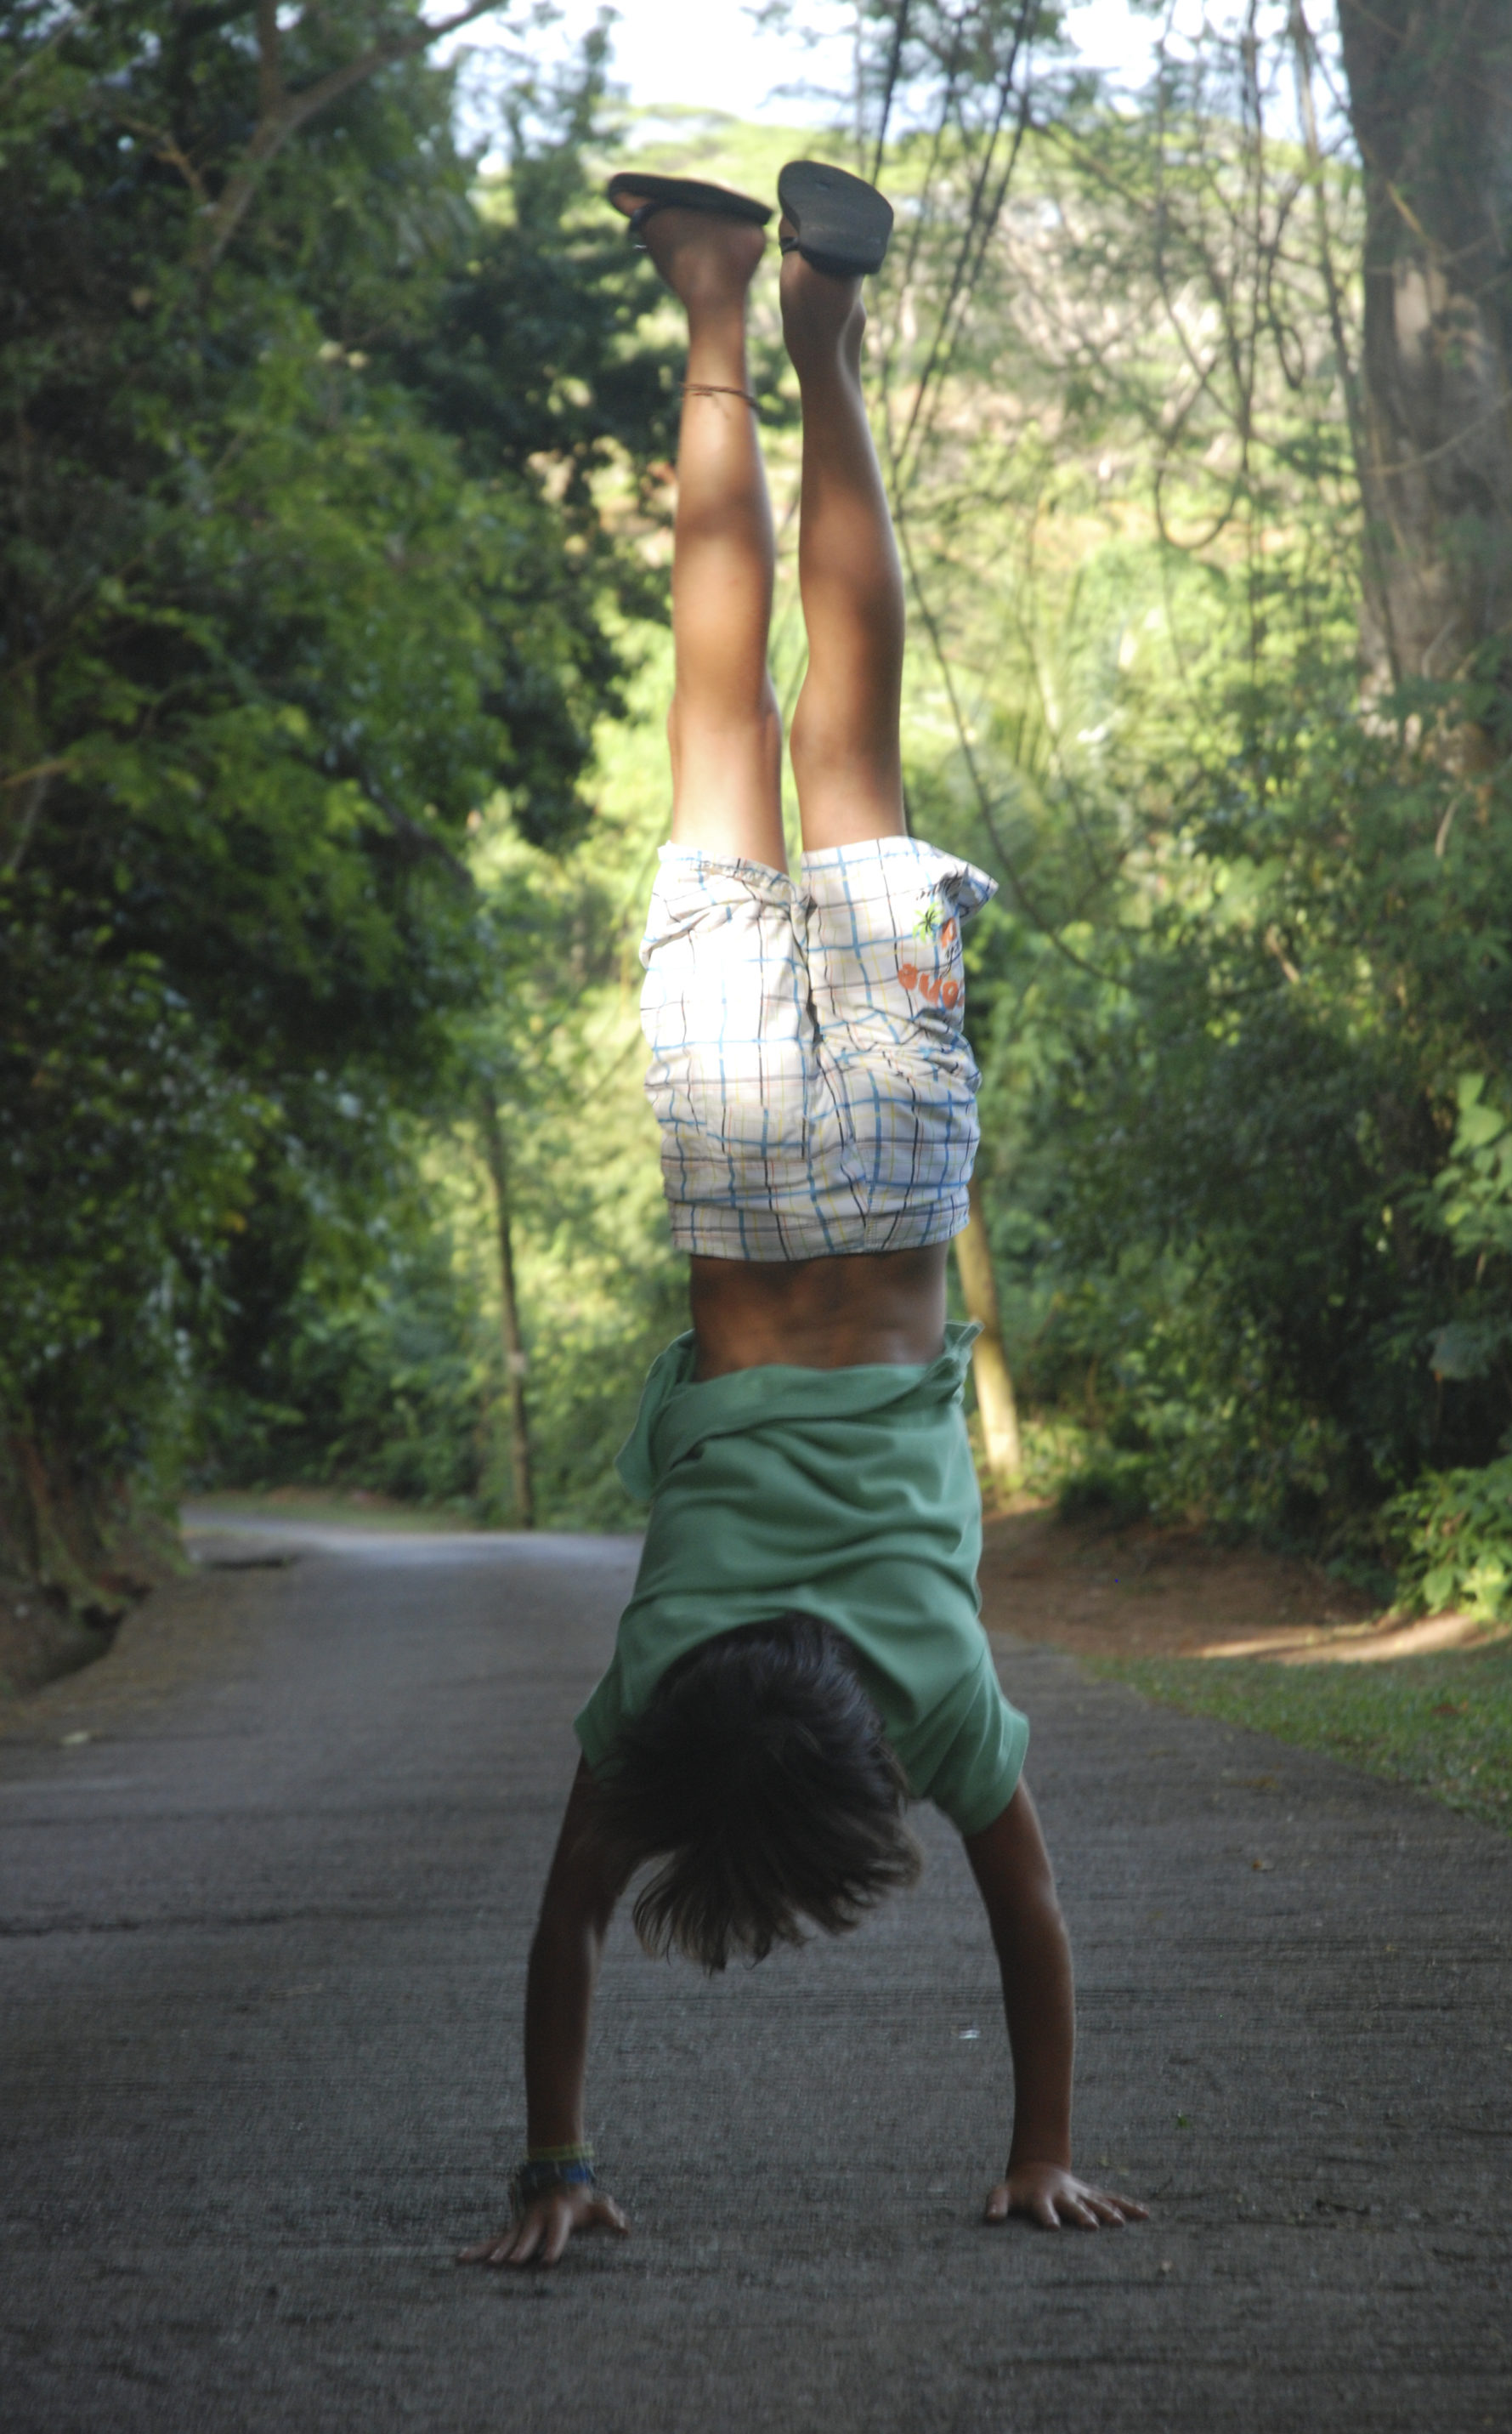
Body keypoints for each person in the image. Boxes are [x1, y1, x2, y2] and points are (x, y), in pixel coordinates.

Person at [462, 162, 1149, 2272]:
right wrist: (548, 2160)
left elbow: (1031, 1914)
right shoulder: (658, 1682)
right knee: (719, 715)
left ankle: (822, 327)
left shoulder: (934, 1689)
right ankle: (711, 295)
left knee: (850, 717)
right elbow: (567, 1922)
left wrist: (1041, 2150)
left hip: (897, 1181)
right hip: (740, 1172)